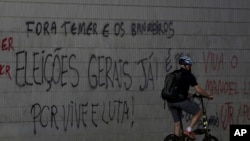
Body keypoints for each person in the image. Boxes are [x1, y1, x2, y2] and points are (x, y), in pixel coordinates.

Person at [167, 56, 213, 140]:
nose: (190, 67)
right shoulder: (188, 75)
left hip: (170, 101)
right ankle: (188, 130)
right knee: (198, 112)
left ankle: (176, 139)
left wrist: (189, 94)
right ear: (186, 66)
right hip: (180, 101)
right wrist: (208, 96)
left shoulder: (174, 74)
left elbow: (176, 89)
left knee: (177, 123)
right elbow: (198, 89)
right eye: (189, 65)